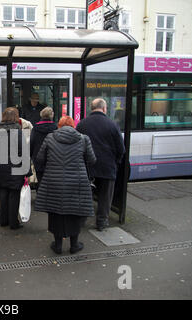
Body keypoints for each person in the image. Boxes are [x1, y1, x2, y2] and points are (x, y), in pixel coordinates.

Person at [35, 116, 96, 254]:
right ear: (73, 126)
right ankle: (74, 245)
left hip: (54, 181)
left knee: (56, 213)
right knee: (75, 212)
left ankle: (57, 245)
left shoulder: (50, 138)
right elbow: (92, 160)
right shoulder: (83, 139)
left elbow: (40, 158)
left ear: (59, 126)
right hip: (77, 182)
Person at [76, 98, 126, 231]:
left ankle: (82, 221)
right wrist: (115, 162)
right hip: (107, 166)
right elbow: (121, 149)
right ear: (104, 109)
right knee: (105, 196)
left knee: (85, 195)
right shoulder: (112, 124)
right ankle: (102, 222)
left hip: (87, 166)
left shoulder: (82, 124)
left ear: (91, 109)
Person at [0, 107, 31, 230]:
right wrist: (28, 172)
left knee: (3, 192)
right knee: (14, 195)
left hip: (1, 166)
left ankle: (3, 220)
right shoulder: (18, 131)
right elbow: (23, 152)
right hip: (16, 167)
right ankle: (13, 223)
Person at [30, 107, 57, 185]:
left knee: (40, 180)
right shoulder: (55, 127)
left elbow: (32, 142)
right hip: (52, 158)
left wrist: (31, 156)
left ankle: (40, 195)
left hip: (38, 158)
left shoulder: (35, 128)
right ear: (51, 115)